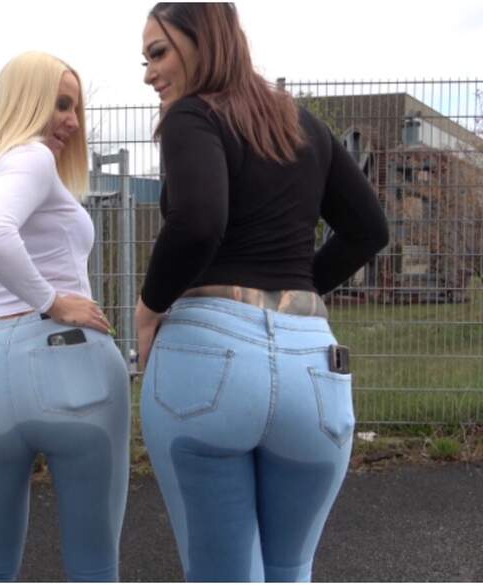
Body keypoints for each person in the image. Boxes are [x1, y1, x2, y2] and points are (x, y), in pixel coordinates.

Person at [135, 4, 389, 582]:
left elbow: (200, 220)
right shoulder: (304, 125)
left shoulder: (191, 115)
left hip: (208, 363)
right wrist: (297, 292)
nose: (149, 74)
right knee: (290, 570)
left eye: (158, 53)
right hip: (313, 367)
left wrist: (149, 308)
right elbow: (369, 230)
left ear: (204, 41)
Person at [0, 51, 131, 582]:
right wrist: (52, 300)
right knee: (93, 564)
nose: (72, 121)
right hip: (69, 361)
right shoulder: (33, 158)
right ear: (26, 101)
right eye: (61, 104)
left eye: (76, 109)